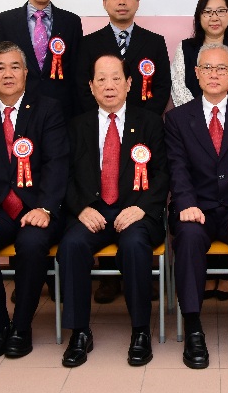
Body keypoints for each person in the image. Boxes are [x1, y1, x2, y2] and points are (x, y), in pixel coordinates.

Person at [58, 53, 169, 368]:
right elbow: (63, 175)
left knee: (134, 245)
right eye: (102, 80)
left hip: (134, 212)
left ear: (129, 83)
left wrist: (141, 208)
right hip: (92, 211)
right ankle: (79, 332)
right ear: (91, 86)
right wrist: (80, 208)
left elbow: (163, 174)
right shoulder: (76, 126)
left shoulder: (149, 122)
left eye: (116, 78)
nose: (109, 86)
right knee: (71, 245)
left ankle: (140, 331)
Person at [0, 41, 69, 360]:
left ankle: (21, 327)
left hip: (37, 207)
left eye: (14, 67)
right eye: (0, 67)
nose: (7, 74)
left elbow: (57, 163)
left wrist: (45, 208)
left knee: (33, 244)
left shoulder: (48, 110)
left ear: (25, 72)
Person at [165, 43, 228, 369]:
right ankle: (193, 327)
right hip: (196, 207)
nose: (214, 74)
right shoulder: (177, 118)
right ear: (196, 74)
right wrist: (186, 203)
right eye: (207, 68)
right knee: (188, 237)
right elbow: (177, 168)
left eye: (221, 68)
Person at [76, 0, 171, 304]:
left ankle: (138, 277)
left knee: (134, 202)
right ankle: (109, 279)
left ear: (137, 1)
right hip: (102, 125)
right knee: (101, 191)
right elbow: (82, 87)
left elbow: (161, 86)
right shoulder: (89, 43)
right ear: (104, 2)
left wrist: (138, 121)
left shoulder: (154, 41)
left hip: (140, 134)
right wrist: (105, 115)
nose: (121, 1)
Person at [170, 0, 228, 300]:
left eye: (221, 11)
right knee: (194, 226)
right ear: (199, 16)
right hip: (197, 128)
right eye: (208, 11)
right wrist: (203, 114)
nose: (215, 17)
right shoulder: (186, 49)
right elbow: (180, 90)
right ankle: (195, 313)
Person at [0, 0, 84, 121]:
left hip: (61, 110)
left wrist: (78, 118)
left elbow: (77, 72)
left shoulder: (71, 22)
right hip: (18, 107)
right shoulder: (6, 21)